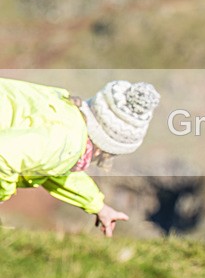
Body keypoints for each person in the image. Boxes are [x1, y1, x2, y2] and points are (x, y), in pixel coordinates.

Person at [0, 77, 160, 237]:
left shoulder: (65, 113)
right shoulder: (67, 141)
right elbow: (3, 156)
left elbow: (53, 169)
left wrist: (98, 206)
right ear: (105, 146)